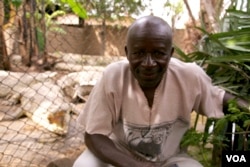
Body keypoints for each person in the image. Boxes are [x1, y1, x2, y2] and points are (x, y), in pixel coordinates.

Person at [73, 15, 248, 167]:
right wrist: (135, 165)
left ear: (170, 53)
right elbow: (93, 135)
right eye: (139, 53)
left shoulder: (189, 76)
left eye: (158, 53)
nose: (148, 63)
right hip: (118, 156)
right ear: (127, 53)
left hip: (169, 160)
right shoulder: (113, 76)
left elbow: (221, 98)